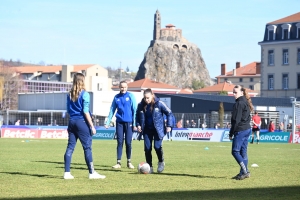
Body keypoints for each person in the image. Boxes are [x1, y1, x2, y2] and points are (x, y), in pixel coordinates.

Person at [63, 73, 105, 180]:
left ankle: (67, 173)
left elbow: (68, 110)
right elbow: (85, 111)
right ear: (83, 81)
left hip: (71, 122)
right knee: (87, 148)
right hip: (82, 122)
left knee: (70, 148)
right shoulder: (85, 94)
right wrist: (92, 126)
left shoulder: (69, 94)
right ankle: (92, 173)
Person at [136, 88, 172, 173]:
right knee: (147, 148)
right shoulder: (141, 105)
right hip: (147, 130)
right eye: (145, 98)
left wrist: (169, 125)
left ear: (152, 96)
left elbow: (169, 113)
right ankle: (149, 167)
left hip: (158, 129)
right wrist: (138, 125)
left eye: (148, 98)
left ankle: (161, 162)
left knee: (157, 146)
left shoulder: (159, 104)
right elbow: (137, 116)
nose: (146, 100)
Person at [105, 81, 137, 169]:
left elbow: (135, 110)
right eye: (122, 87)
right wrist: (108, 123)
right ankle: (118, 163)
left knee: (128, 142)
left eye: (125, 87)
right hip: (119, 122)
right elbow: (112, 110)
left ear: (127, 87)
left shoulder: (130, 96)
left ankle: (129, 161)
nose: (123, 89)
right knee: (119, 142)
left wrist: (134, 123)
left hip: (129, 123)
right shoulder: (116, 97)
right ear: (119, 87)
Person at [229, 85, 253, 180]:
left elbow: (236, 120)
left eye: (236, 92)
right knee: (243, 152)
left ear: (241, 92)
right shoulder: (246, 102)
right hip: (247, 129)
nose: (234, 94)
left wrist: (231, 133)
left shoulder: (239, 103)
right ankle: (242, 173)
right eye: (233, 92)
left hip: (241, 130)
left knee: (235, 151)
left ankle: (245, 171)